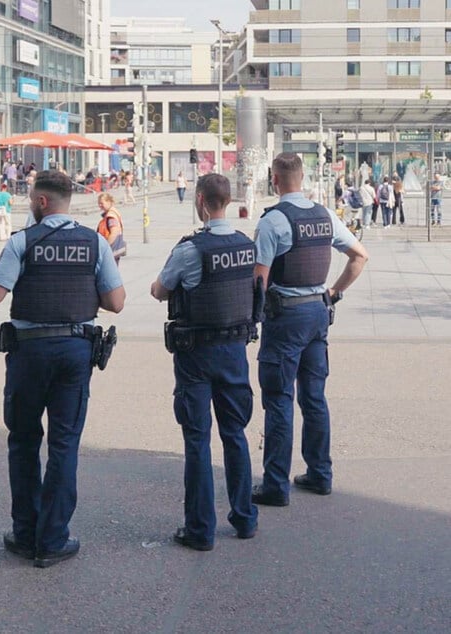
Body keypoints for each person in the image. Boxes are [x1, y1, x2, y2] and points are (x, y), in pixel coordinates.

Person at [0, 170, 126, 568]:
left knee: (24, 441)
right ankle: (54, 538)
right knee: (64, 444)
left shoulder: (22, 242)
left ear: (42, 202)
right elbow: (116, 302)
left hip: (29, 354)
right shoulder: (94, 242)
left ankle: (25, 534)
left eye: (30, 197)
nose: (28, 202)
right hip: (75, 353)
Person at [252, 153, 369, 508]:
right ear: (301, 178)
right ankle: (319, 474)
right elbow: (360, 256)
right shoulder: (325, 215)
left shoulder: (273, 222)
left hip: (285, 319)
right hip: (318, 313)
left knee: (279, 400)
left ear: (275, 180)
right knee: (314, 398)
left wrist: (248, 321)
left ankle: (275, 485)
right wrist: (333, 293)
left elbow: (259, 280)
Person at [149, 173, 259, 551]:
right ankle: (245, 519)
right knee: (235, 435)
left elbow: (158, 290)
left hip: (195, 354)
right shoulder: (247, 245)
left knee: (197, 440)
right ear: (227, 201)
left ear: (200, 200)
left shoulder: (190, 249)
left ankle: (200, 530)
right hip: (234, 353)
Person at [96, 192, 124, 264]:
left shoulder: (111, 216)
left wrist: (106, 246)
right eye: (99, 203)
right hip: (114, 249)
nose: (100, 205)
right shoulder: (112, 212)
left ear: (108, 202)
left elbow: (114, 232)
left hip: (112, 250)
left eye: (102, 203)